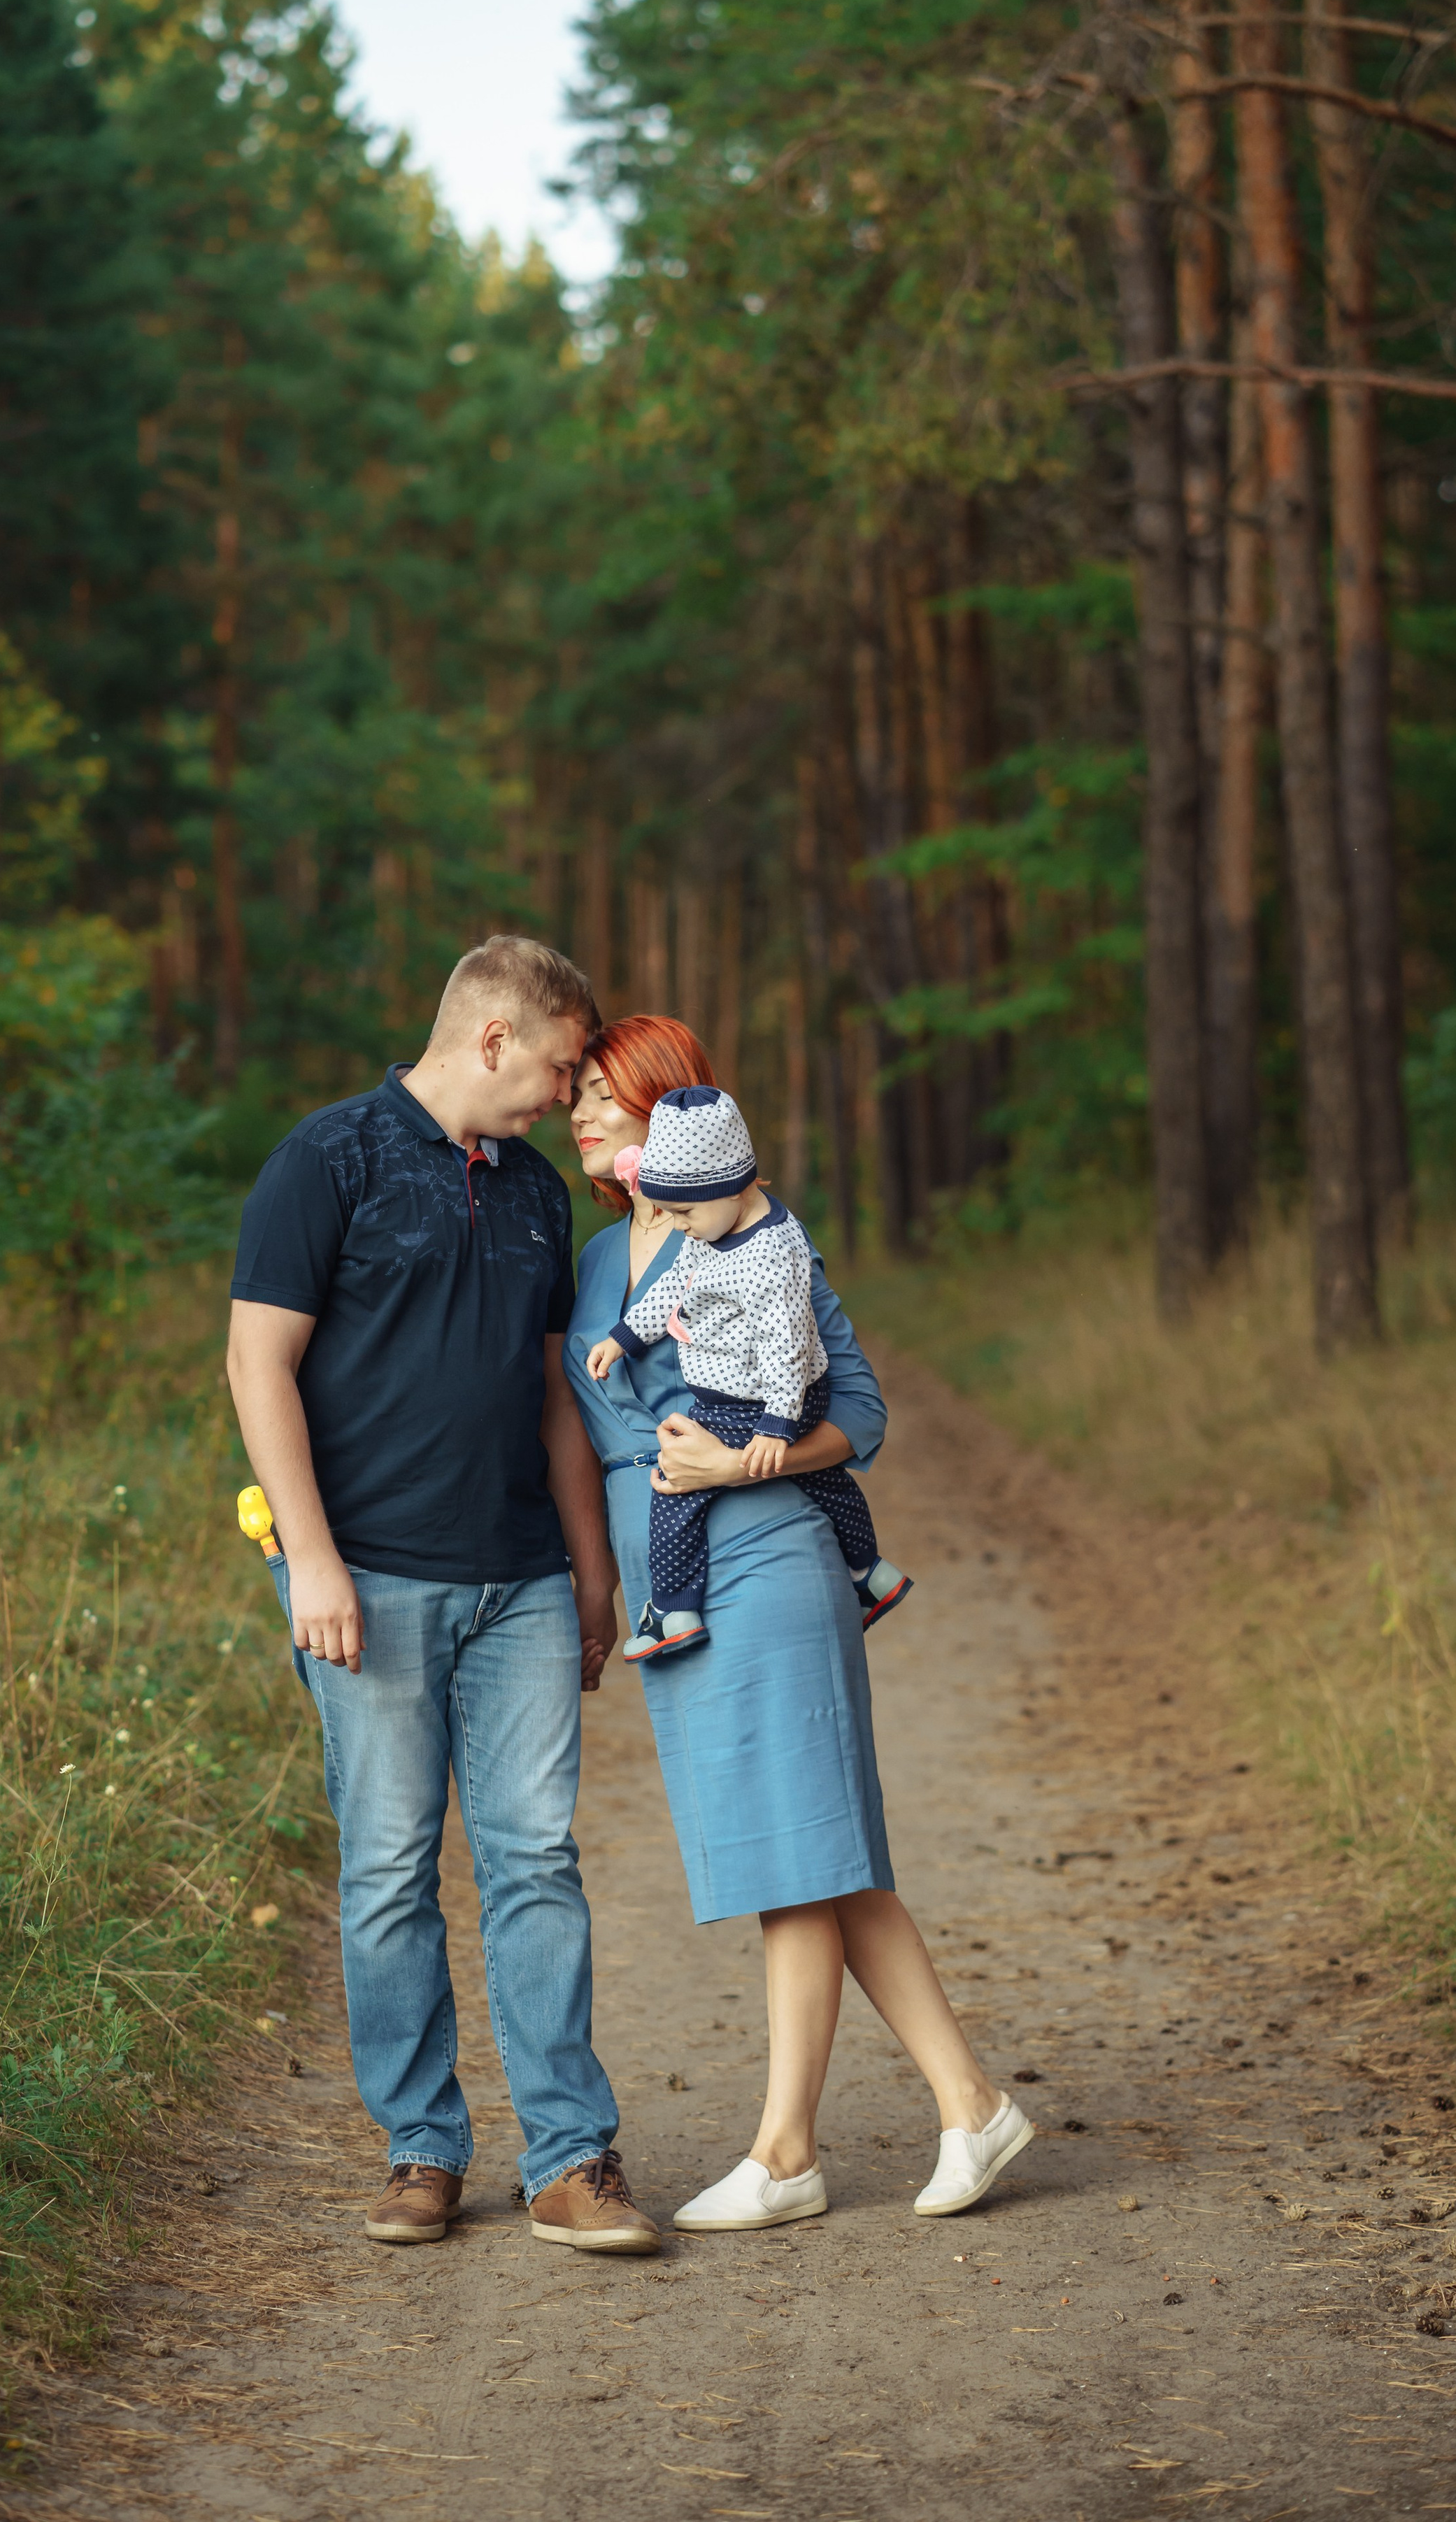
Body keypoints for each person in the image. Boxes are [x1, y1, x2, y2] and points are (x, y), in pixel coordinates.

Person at [225, 937, 662, 2257]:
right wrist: (311, 1559)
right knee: (387, 1870)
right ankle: (423, 2148)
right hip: (369, 1579)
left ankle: (571, 2160)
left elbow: (556, 1400)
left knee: (535, 1861)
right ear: (492, 1038)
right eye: (560, 1065)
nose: (568, 1093)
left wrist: (592, 1571)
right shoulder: (329, 1159)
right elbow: (257, 1364)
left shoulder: (535, 1195)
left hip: (522, 1581)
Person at [568, 1016, 1031, 2231]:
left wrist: (739, 1464)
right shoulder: (597, 1261)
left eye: (605, 1094)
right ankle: (970, 2104)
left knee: (796, 1862)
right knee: (819, 1856)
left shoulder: (760, 1244)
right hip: (670, 1580)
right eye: (577, 1095)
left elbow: (859, 1413)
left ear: (669, 1111)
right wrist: (592, 1578)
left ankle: (786, 2155)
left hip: (764, 1561)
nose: (582, 1114)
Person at [583, 1082, 909, 1661]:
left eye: (685, 1212)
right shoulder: (712, 1228)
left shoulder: (770, 1255)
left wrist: (775, 1425)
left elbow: (788, 1346)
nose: (678, 1226)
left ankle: (673, 1610)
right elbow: (674, 1288)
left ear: (731, 1186)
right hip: (758, 1399)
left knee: (677, 1484)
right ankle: (870, 1573)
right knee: (826, 1481)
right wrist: (625, 1336)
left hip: (756, 1403)